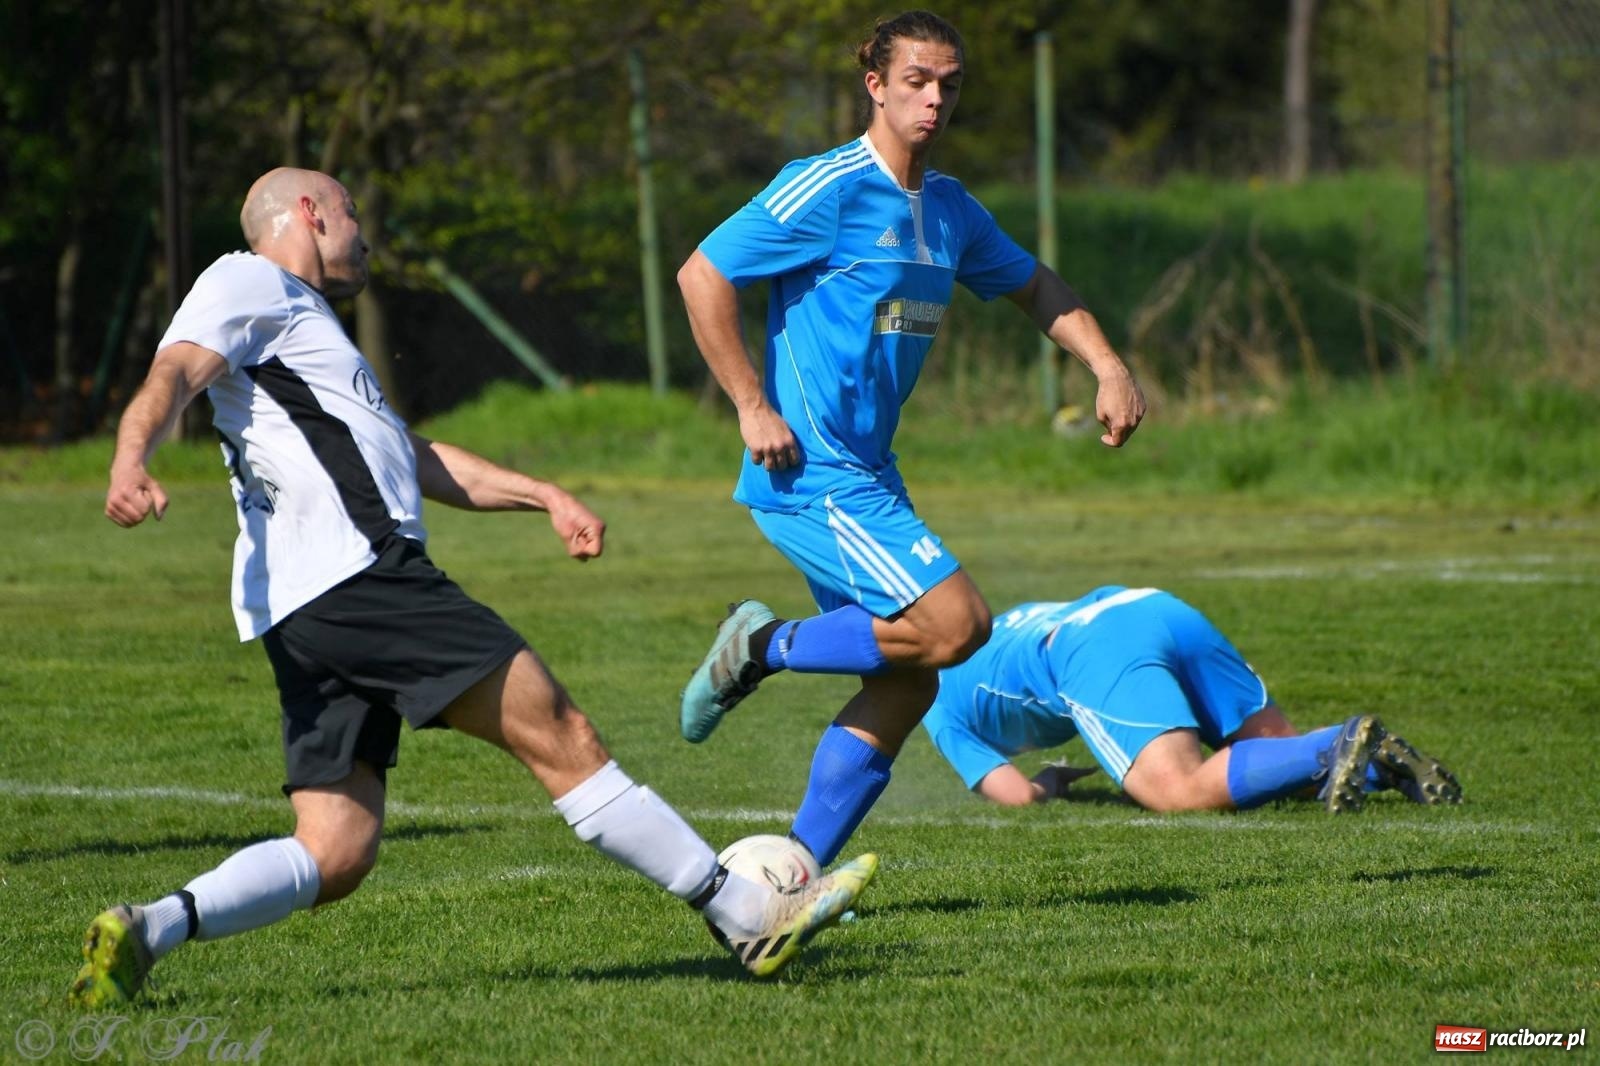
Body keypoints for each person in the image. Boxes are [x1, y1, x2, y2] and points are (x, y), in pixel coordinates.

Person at [69, 168, 877, 1007]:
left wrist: (543, 496)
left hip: (307, 605)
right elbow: (174, 374)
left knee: (337, 848)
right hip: (362, 578)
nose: (363, 233)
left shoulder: (305, 326)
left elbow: (410, 454)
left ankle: (149, 929)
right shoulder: (249, 282)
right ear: (309, 213)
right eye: (352, 212)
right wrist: (131, 458)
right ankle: (746, 913)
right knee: (559, 731)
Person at [674, 11, 1145, 869]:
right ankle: (762, 646)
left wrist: (1108, 367)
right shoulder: (828, 186)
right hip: (809, 471)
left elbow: (1035, 286)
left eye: (949, 85)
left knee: (908, 680)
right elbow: (703, 273)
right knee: (958, 625)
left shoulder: (952, 209)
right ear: (876, 86)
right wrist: (750, 403)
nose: (934, 100)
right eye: (917, 82)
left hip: (869, 474)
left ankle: (792, 876)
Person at [920, 587, 1463, 813]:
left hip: (1093, 647)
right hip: (1151, 605)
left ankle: (1335, 743)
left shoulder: (931, 701)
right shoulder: (986, 624)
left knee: (1176, 789)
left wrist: (1051, 781)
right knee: (1281, 765)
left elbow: (1017, 796)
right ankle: (1382, 764)